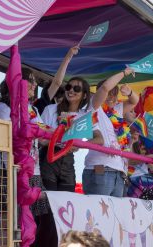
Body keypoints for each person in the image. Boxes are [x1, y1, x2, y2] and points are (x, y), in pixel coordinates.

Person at [39, 76, 103, 247]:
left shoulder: (85, 116)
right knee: (48, 210)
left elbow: (100, 139)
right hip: (48, 157)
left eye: (76, 89)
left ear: (84, 95)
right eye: (69, 87)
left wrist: (80, 144)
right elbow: (39, 138)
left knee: (66, 209)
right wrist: (58, 140)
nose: (71, 91)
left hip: (68, 161)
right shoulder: (51, 109)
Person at [0, 68, 48, 246]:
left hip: (34, 172)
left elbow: (42, 138)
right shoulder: (4, 107)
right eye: (29, 80)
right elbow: (5, 139)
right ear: (17, 83)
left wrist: (63, 137)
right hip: (10, 170)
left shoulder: (33, 110)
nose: (33, 85)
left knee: (30, 223)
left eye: (34, 81)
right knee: (9, 223)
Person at [83, 67, 139, 197]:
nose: (112, 97)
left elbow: (134, 101)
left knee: (113, 216)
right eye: (109, 93)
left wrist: (130, 92)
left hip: (118, 171)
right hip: (100, 169)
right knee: (98, 213)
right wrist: (124, 73)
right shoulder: (94, 107)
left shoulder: (116, 110)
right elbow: (104, 88)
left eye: (115, 94)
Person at [34, 46, 79, 115]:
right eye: (61, 100)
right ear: (55, 98)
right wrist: (68, 57)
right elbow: (57, 83)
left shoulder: (62, 113)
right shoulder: (42, 104)